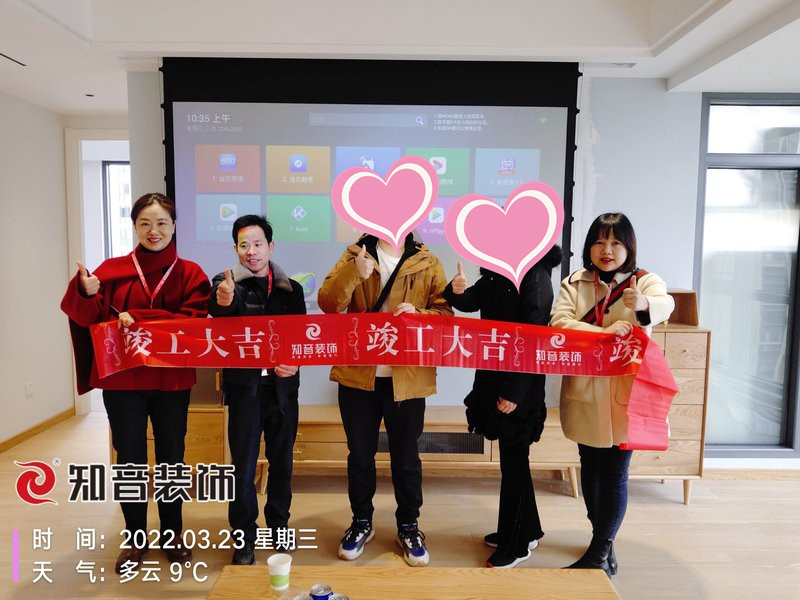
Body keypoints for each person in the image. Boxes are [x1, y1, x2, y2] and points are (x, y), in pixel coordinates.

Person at [60, 192, 210, 573]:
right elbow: (89, 317)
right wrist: (86, 292)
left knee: (172, 457)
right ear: (134, 227)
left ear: (174, 226)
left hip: (171, 380)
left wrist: (139, 318)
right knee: (129, 459)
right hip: (123, 379)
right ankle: (135, 537)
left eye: (161, 223)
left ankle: (172, 534)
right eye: (145, 223)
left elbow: (193, 323)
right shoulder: (111, 271)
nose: (153, 231)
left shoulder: (191, 274)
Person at [549, 212, 674, 576]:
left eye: (616, 242)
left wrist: (643, 305)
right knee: (589, 468)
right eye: (600, 242)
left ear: (628, 247)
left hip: (626, 393)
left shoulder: (644, 281)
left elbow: (665, 304)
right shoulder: (575, 282)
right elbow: (559, 323)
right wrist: (604, 333)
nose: (607, 250)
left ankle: (599, 549)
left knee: (616, 472)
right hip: (585, 390)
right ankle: (603, 540)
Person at [317, 232, 452, 567]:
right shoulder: (356, 254)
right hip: (357, 377)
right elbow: (328, 304)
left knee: (406, 458)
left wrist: (418, 314)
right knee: (360, 456)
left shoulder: (427, 260)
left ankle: (409, 526)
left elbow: (445, 315)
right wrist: (354, 273)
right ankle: (361, 521)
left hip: (407, 379)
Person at [443, 246, 562, 568]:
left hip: (519, 385)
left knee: (514, 461)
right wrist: (456, 291)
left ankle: (517, 543)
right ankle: (527, 529)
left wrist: (515, 391)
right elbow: (472, 301)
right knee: (513, 461)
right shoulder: (499, 269)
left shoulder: (535, 272)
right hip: (495, 375)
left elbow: (535, 336)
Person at [207, 214, 306, 565]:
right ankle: (244, 537)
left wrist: (295, 362)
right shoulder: (226, 284)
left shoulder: (291, 289)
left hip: (283, 392)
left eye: (258, 244)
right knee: (243, 468)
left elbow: (301, 339)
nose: (251, 251)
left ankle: (279, 527)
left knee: (282, 465)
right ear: (236, 249)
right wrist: (223, 299)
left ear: (271, 246)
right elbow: (220, 309)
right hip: (244, 391)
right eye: (244, 245)